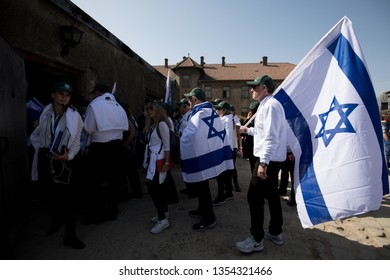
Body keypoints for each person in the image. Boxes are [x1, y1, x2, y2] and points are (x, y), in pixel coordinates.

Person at [29, 82, 85, 249]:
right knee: (50, 194)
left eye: (67, 95)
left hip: (65, 160)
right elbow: (41, 133)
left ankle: (70, 235)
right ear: (53, 95)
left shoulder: (75, 116)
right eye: (60, 93)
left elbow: (76, 141)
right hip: (46, 159)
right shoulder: (46, 112)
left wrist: (70, 155)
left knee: (70, 200)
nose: (64, 97)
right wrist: (38, 126)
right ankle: (57, 220)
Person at [236, 75, 287, 253]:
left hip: (267, 160)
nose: (251, 90)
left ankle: (256, 238)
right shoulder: (266, 105)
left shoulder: (271, 106)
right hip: (270, 159)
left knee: (254, 197)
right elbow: (263, 132)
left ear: (264, 88)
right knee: (272, 196)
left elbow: (271, 137)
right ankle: (275, 231)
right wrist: (247, 130)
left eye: (254, 87)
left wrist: (263, 162)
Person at [181, 88, 233, 231]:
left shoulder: (199, 114)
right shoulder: (210, 112)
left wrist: (182, 139)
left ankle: (209, 218)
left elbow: (190, 135)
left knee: (202, 187)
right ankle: (201, 209)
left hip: (200, 154)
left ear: (195, 99)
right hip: (205, 152)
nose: (188, 102)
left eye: (189, 99)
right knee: (202, 185)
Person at [83, 82, 128, 224]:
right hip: (117, 147)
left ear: (97, 92)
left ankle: (98, 211)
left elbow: (88, 128)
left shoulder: (94, 105)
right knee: (113, 179)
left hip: (100, 148)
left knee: (94, 181)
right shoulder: (118, 106)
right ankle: (113, 210)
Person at [143, 100, 178, 234]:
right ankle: (163, 213)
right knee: (158, 189)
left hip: (159, 161)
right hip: (154, 161)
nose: (149, 111)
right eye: (148, 109)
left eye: (151, 108)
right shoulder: (154, 125)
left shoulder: (162, 124)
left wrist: (167, 163)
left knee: (154, 190)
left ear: (158, 110)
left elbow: (167, 146)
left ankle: (163, 219)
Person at [213, 101, 234, 206]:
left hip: (224, 150)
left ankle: (221, 196)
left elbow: (227, 136)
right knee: (226, 174)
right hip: (226, 149)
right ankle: (229, 192)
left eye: (219, 109)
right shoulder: (225, 119)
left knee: (220, 174)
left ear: (225, 110)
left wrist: (224, 151)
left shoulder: (226, 119)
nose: (217, 111)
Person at [121, 103, 143, 199]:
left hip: (129, 150)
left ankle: (135, 192)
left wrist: (125, 144)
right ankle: (136, 192)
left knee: (130, 173)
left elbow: (132, 133)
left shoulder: (127, 119)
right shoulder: (131, 118)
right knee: (132, 173)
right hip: (132, 150)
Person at [240, 101, 259, 172]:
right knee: (253, 169)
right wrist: (248, 119)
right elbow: (241, 133)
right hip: (251, 149)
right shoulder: (250, 121)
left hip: (258, 147)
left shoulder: (260, 119)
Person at [229, 104, 242, 192]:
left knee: (232, 167)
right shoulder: (225, 118)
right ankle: (229, 186)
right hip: (226, 146)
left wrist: (240, 147)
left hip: (233, 147)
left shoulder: (235, 119)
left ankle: (236, 185)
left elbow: (239, 135)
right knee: (227, 168)